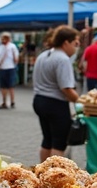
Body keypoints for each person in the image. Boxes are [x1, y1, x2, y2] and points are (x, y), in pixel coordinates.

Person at [32, 26, 81, 162]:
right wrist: (81, 102)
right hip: (55, 104)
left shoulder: (44, 55)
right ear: (66, 42)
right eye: (75, 43)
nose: (76, 48)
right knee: (59, 142)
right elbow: (66, 88)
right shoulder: (62, 59)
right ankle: (55, 176)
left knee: (47, 139)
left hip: (39, 100)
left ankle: (41, 172)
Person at [0, 32, 20, 109]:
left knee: (11, 86)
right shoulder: (0, 47)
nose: (3, 40)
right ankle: (4, 102)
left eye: (4, 38)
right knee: (3, 86)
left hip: (10, 68)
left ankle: (12, 102)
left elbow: (16, 58)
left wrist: (15, 59)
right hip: (2, 68)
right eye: (2, 38)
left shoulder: (12, 47)